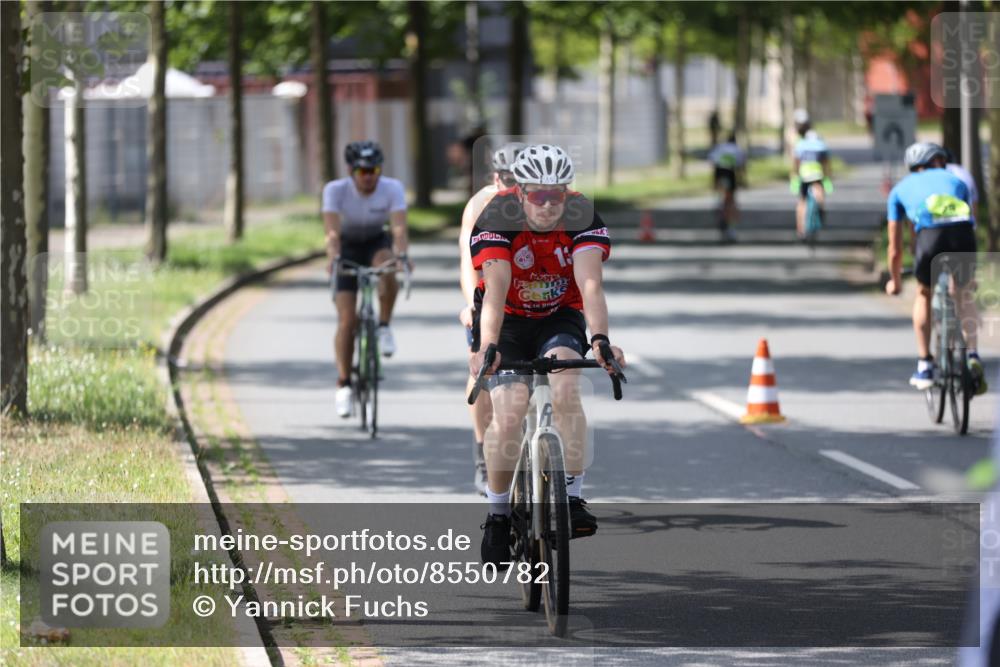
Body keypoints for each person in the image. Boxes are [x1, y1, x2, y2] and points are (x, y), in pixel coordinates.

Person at [468, 144, 626, 566]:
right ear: (520, 192)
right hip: (509, 321)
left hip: (559, 315)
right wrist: (487, 347)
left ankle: (571, 498)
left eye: (557, 194)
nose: (548, 205)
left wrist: (600, 339)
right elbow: (495, 293)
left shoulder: (580, 213)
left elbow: (590, 284)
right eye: (538, 195)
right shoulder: (497, 216)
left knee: (568, 388)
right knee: (509, 412)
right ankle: (498, 514)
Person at [884, 141, 985, 394]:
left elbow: (895, 249)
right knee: (963, 293)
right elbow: (969, 222)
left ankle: (925, 364)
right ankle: (973, 354)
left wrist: (895, 281)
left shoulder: (899, 190)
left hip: (930, 238)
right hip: (963, 235)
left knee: (923, 294)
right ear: (938, 161)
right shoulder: (957, 181)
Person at [323, 141, 411, 418]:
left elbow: (398, 228)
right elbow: (332, 233)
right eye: (363, 171)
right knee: (347, 320)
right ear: (351, 171)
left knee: (388, 265)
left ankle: (383, 326)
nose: (369, 176)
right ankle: (344, 384)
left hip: (375, 242)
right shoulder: (335, 190)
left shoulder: (392, 188)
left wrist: (402, 255)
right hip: (347, 247)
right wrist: (333, 258)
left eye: (374, 170)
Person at [459, 142, 526, 496]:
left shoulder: (536, 202)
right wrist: (473, 305)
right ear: (495, 177)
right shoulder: (480, 204)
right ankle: (482, 449)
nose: (514, 186)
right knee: (481, 368)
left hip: (529, 296)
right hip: (490, 294)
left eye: (521, 179)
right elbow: (467, 262)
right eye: (508, 179)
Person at [791, 109, 831, 239]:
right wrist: (827, 177)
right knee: (819, 192)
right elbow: (826, 163)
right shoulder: (821, 145)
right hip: (817, 175)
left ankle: (800, 229)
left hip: (804, 175)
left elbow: (796, 162)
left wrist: (795, 176)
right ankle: (821, 209)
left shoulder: (800, 145)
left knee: (802, 201)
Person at [708, 131, 747, 243]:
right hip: (730, 175)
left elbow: (712, 162)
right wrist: (743, 181)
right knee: (731, 202)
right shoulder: (737, 149)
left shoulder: (720, 147)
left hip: (719, 175)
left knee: (722, 198)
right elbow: (741, 166)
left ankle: (720, 211)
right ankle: (729, 223)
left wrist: (713, 182)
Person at [942, 147, 980, 222]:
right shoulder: (964, 171)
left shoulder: (943, 171)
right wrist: (974, 223)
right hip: (967, 220)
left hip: (949, 219)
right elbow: (974, 200)